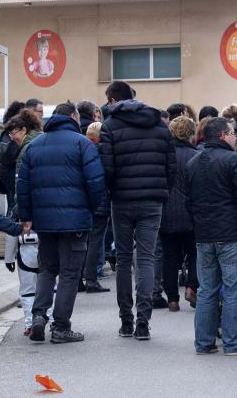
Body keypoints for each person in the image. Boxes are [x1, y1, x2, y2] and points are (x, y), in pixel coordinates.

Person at [18, 102, 105, 344]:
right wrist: (90, 208)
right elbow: (96, 182)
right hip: (75, 222)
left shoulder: (34, 146)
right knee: (69, 273)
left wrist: (27, 216)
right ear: (74, 117)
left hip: (44, 222)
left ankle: (38, 317)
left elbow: (22, 186)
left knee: (47, 269)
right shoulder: (82, 144)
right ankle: (61, 326)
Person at [99, 81, 176, 340]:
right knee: (145, 257)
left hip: (120, 200)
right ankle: (144, 320)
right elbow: (171, 167)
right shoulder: (160, 127)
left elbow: (107, 169)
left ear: (113, 101)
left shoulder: (109, 127)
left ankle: (126, 320)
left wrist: (112, 190)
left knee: (122, 259)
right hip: (152, 200)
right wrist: (161, 190)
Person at [187, 117, 237, 355]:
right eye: (231, 134)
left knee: (207, 290)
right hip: (230, 234)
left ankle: (204, 342)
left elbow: (189, 201)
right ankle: (233, 342)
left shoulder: (193, 162)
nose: (234, 137)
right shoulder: (234, 161)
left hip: (203, 235)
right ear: (222, 135)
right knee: (234, 290)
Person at [3, 108, 44, 334]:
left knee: (28, 279)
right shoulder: (44, 142)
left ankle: (31, 323)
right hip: (51, 220)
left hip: (30, 222)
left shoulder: (26, 152)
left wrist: (18, 214)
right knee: (48, 277)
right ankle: (46, 317)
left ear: (23, 129)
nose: (12, 139)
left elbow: (22, 190)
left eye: (13, 134)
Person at [160, 117, 199, 311]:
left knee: (170, 257)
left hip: (166, 212)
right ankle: (192, 287)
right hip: (192, 214)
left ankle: (172, 299)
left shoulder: (163, 155)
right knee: (195, 253)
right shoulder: (196, 155)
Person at [81, 121, 111, 294]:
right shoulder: (103, 152)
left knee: (81, 240)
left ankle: (78, 278)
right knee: (94, 241)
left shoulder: (82, 150)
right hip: (100, 200)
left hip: (83, 201)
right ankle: (91, 279)